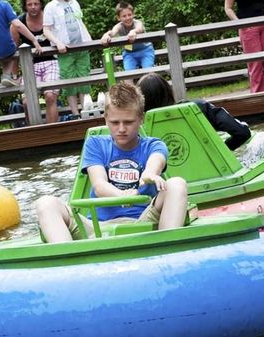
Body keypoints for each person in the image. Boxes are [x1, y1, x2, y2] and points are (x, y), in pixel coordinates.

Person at [34, 82, 189, 243]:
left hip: (144, 221)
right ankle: (67, 259)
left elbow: (154, 164)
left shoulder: (154, 145)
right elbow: (99, 186)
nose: (121, 129)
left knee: (177, 184)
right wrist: (124, 196)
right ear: (106, 118)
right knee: (45, 203)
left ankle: (168, 246)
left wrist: (149, 175)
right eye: (115, 122)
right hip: (97, 227)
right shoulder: (95, 144)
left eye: (128, 122)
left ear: (141, 119)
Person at [135, 74, 252, 151]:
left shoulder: (136, 126)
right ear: (169, 91)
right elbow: (242, 132)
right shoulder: (199, 108)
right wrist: (223, 150)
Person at [42, 0, 93, 117]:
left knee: (84, 78)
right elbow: (46, 30)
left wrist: (88, 40)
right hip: (65, 51)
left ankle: (86, 110)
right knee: (69, 81)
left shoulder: (74, 3)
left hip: (81, 46)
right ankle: (75, 113)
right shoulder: (50, 7)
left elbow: (79, 22)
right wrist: (58, 42)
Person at [12, 0, 62, 123]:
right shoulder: (19, 23)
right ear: (25, 6)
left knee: (50, 96)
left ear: (41, 4)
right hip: (30, 64)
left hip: (52, 61)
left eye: (36, 4)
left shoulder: (49, 17)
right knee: (27, 101)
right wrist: (14, 74)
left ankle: (52, 130)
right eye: (30, 4)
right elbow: (14, 50)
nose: (33, 7)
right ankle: (34, 131)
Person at [101, 1, 156, 71]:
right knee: (127, 75)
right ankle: (129, 81)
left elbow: (139, 28)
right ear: (119, 18)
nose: (127, 18)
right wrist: (106, 35)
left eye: (129, 15)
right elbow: (112, 32)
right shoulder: (119, 26)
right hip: (129, 53)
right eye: (124, 16)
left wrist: (133, 31)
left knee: (148, 72)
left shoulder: (138, 23)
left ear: (133, 14)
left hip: (145, 51)